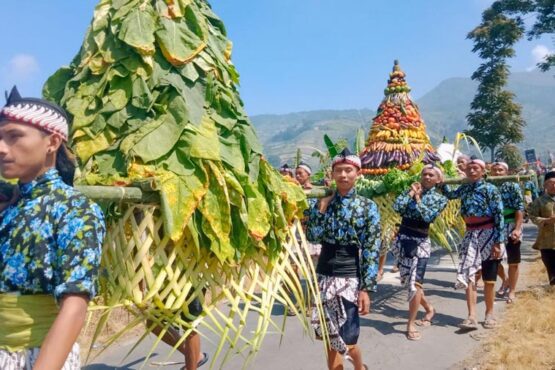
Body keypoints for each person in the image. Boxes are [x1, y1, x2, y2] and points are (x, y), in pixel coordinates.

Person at [0, 86, 105, 369]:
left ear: (53, 142)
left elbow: (74, 306)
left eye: (14, 136)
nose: (0, 147)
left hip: (35, 357)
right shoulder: (9, 203)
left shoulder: (74, 210)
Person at [306, 148, 380, 370]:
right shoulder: (321, 203)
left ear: (358, 173)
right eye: (339, 170)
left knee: (348, 340)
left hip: (350, 277)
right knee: (329, 339)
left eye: (348, 170)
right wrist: (321, 207)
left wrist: (366, 288)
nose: (344, 175)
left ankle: (359, 367)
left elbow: (371, 249)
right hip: (325, 274)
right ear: (333, 174)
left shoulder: (367, 207)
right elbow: (313, 237)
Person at [440, 157, 505, 330]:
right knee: (469, 275)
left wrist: (498, 242)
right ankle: (471, 316)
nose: (472, 170)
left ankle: (489, 313)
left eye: (476, 168)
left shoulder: (491, 189)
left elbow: (499, 216)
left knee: (489, 278)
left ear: (483, 171)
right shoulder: (464, 188)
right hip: (470, 234)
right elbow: (450, 195)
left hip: (489, 233)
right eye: (469, 168)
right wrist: (441, 183)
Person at [393, 164, 448, 341]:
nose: (427, 177)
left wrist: (418, 200)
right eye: (424, 174)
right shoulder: (410, 191)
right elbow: (397, 207)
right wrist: (411, 194)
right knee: (407, 281)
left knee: (415, 284)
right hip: (402, 240)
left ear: (438, 180)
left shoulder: (440, 199)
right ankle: (429, 308)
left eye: (431, 175)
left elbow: (428, 217)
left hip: (420, 243)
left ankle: (410, 323)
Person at [491, 162, 524, 303]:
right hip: (493, 225)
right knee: (493, 258)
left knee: (513, 260)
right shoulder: (488, 187)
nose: (498, 173)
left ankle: (512, 291)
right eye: (495, 170)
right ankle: (505, 280)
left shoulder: (513, 186)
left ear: (506, 171)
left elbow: (519, 209)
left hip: (511, 224)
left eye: (500, 170)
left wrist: (517, 229)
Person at [528, 170, 555, 286]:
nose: (554, 185)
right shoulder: (539, 201)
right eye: (551, 183)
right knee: (551, 267)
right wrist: (546, 221)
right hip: (547, 241)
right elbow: (532, 217)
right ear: (545, 185)